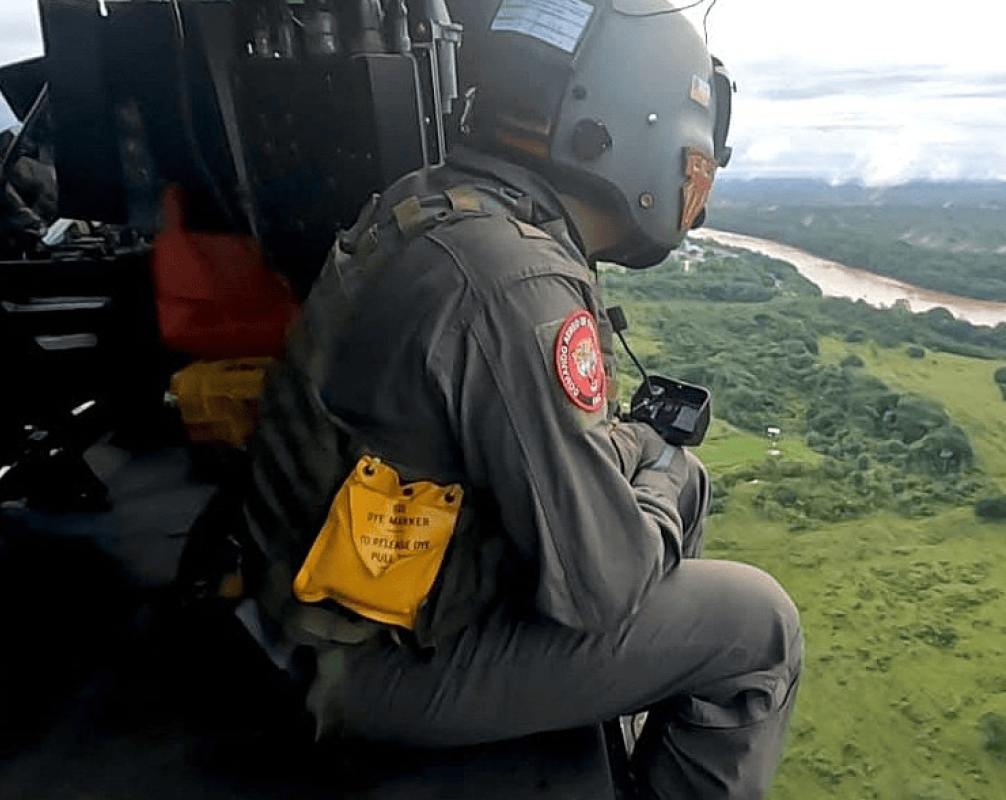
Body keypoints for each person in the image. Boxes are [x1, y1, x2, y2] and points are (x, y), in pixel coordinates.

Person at [235, 2, 803, 798]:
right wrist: (661, 472)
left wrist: (641, 461)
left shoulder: (440, 204)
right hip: (352, 665)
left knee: (668, 478)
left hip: (315, 602)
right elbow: (604, 587)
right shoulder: (514, 278)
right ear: (629, 124)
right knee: (759, 629)